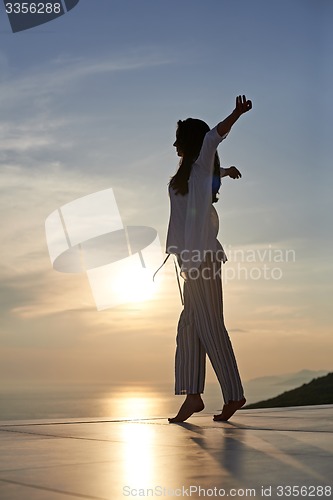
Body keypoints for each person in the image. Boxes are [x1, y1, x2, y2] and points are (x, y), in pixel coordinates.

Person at [166, 95, 252, 423]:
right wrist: (226, 171)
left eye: (179, 140)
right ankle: (193, 396)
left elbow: (214, 135)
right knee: (189, 325)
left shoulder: (201, 163)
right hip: (189, 265)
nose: (174, 145)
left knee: (210, 324)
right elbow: (210, 181)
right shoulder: (193, 174)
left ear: (190, 143)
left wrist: (236, 114)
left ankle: (234, 394)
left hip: (203, 260)